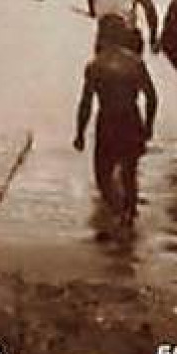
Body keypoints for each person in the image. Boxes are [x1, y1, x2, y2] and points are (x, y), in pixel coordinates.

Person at [74, 15, 158, 226]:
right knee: (129, 174)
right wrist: (148, 127)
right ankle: (128, 217)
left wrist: (80, 134)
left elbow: (86, 103)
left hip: (108, 122)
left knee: (103, 175)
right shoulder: (135, 62)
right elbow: (151, 97)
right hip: (132, 120)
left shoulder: (95, 65)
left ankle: (115, 211)